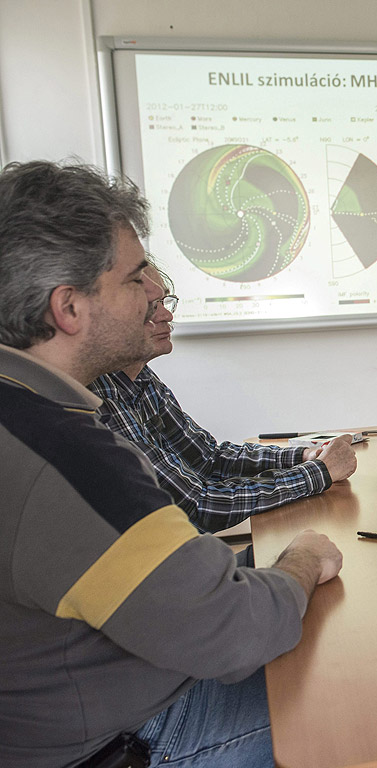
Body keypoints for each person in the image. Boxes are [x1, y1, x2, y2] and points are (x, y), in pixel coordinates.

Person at [0, 160, 342, 768]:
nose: (158, 290)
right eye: (136, 278)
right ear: (69, 308)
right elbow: (235, 633)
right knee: (361, 695)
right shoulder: (63, 452)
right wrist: (302, 560)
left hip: (83, 704)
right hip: (127, 738)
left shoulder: (22, 411)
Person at [88, 268, 357, 533]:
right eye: (150, 306)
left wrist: (304, 455)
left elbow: (211, 460)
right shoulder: (101, 398)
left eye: (164, 302)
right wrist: (318, 472)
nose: (167, 315)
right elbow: (201, 506)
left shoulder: (141, 378)